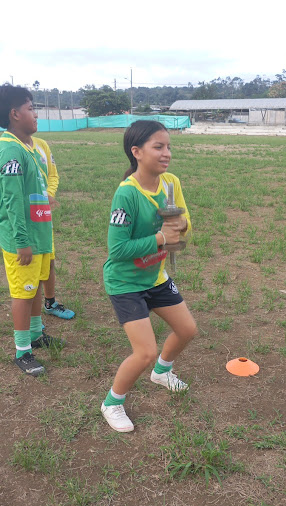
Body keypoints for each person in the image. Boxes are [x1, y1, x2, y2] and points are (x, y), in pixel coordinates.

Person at [102, 120, 197, 432]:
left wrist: (182, 227)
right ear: (137, 152)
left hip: (155, 276)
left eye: (168, 146)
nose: (166, 153)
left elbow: (184, 223)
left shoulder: (170, 183)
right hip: (125, 283)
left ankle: (162, 372)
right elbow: (117, 250)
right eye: (158, 147)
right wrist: (160, 238)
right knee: (145, 352)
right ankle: (112, 403)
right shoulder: (126, 195)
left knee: (187, 330)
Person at [0, 84, 64, 376]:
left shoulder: (29, 147)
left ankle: (35, 333)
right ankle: (22, 351)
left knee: (34, 287)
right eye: (31, 108)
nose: (36, 115)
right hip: (25, 237)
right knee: (23, 292)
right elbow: (11, 199)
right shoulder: (9, 149)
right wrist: (22, 240)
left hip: (39, 232)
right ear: (14, 114)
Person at [31, 137, 75, 320]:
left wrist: (48, 195)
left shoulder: (41, 145)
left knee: (48, 260)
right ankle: (32, 320)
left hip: (43, 215)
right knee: (31, 267)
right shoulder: (11, 147)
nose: (36, 121)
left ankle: (50, 303)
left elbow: (53, 174)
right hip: (26, 217)